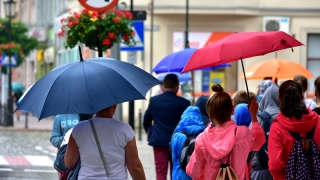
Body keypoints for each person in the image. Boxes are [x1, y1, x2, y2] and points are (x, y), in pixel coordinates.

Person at [186, 84, 265, 180]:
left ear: (209, 112)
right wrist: (253, 115)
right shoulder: (242, 134)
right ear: (232, 109)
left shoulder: (201, 140)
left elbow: (194, 172)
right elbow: (259, 140)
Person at [64, 105, 146, 180]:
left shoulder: (79, 129)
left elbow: (69, 163)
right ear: (114, 106)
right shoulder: (125, 129)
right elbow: (135, 167)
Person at [268, 80, 320, 180]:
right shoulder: (317, 121)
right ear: (302, 97)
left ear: (279, 99)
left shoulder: (277, 127)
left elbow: (274, 164)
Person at [143, 73, 190, 180]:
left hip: (159, 140)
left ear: (164, 85)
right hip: (177, 142)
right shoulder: (184, 103)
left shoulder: (154, 101)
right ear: (176, 86)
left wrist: (151, 133)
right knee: (176, 171)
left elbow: (146, 120)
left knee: (160, 172)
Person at [251, 85, 280, 180]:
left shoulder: (257, 118)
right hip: (279, 172)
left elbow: (249, 143)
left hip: (259, 170)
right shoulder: (284, 118)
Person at [170, 106, 205, 180]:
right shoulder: (204, 135)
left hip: (180, 174)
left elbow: (174, 159)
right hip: (197, 175)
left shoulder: (177, 136)